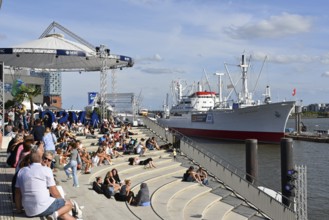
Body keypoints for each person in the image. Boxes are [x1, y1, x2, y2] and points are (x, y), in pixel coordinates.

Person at [15, 145, 75, 219]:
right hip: (41, 207)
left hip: (29, 211)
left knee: (62, 213)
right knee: (69, 204)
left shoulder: (21, 171)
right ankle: (55, 215)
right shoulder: (46, 170)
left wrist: (18, 209)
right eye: (45, 158)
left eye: (49, 160)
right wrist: (61, 202)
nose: (46, 161)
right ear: (41, 159)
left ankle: (57, 214)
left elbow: (17, 192)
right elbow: (55, 193)